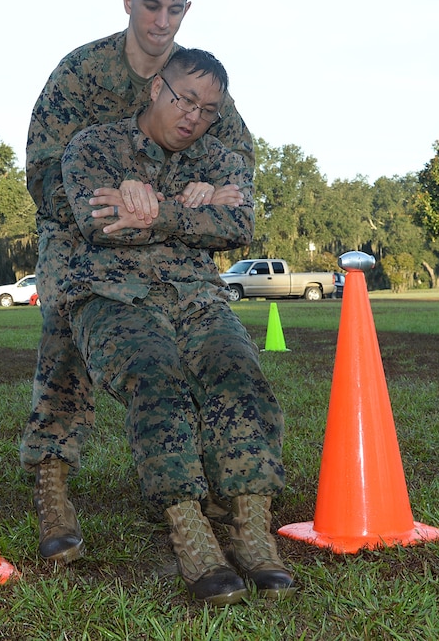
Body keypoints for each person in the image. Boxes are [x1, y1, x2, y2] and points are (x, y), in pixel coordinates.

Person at [21, 0, 255, 564]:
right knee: (67, 330)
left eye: (174, 10)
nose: (161, 22)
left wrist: (173, 202)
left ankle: (205, 496)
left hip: (167, 240)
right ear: (129, 1)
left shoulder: (195, 82)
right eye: (151, 6)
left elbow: (236, 168)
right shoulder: (80, 72)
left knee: (201, 348)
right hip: (79, 234)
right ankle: (52, 484)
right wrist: (108, 204)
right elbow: (43, 171)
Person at [60, 48, 294, 606]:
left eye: (208, 109)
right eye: (184, 100)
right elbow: (100, 224)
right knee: (155, 378)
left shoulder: (219, 157)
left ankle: (251, 529)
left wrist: (156, 209)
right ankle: (190, 532)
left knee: (240, 374)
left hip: (196, 298)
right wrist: (195, 211)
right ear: (155, 90)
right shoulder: (94, 147)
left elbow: (238, 224)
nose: (194, 116)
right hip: (115, 297)